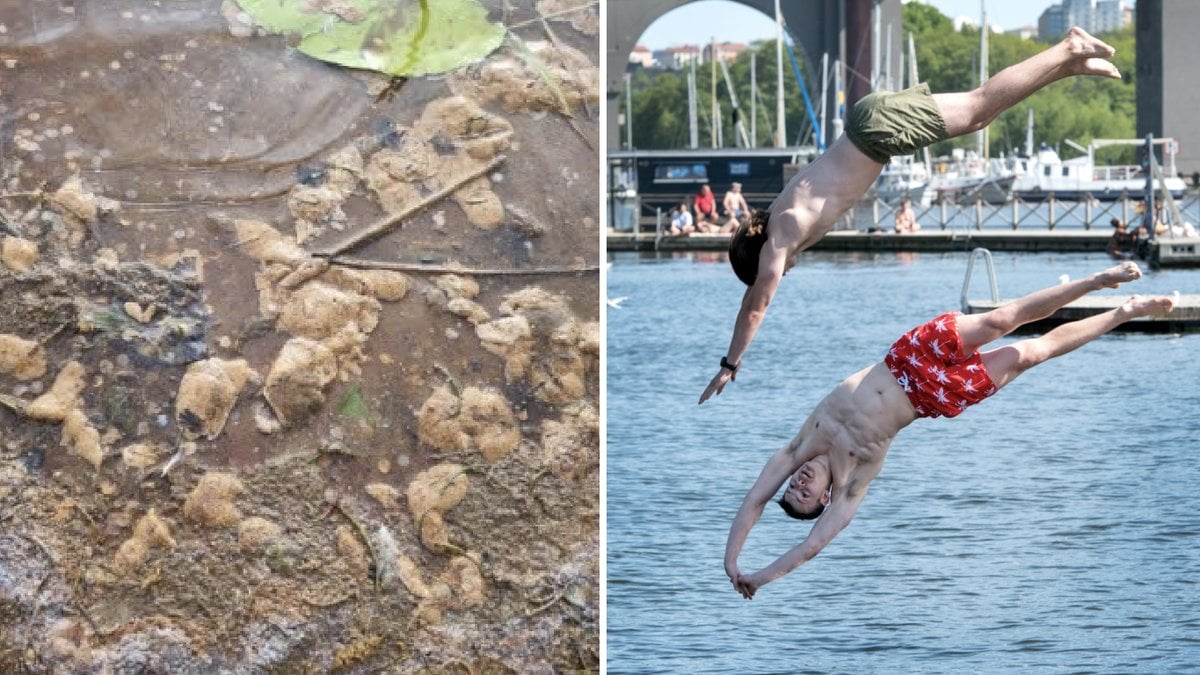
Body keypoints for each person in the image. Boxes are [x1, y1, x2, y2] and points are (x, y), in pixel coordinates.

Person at [699, 27, 1123, 404]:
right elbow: (757, 292)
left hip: (877, 130)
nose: (783, 272)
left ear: (759, 260)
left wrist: (730, 362)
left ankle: (1069, 46)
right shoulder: (780, 217)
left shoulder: (781, 234)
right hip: (874, 128)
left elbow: (756, 305)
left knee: (978, 107)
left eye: (772, 271)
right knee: (982, 117)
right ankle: (1067, 64)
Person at [723, 262, 1175, 599]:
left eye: (793, 487)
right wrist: (757, 578)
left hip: (907, 357)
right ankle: (1123, 312)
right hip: (933, 396)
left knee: (1001, 319)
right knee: (1032, 353)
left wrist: (731, 562)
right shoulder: (849, 487)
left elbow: (755, 499)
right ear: (823, 500)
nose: (798, 483)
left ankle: (1094, 281)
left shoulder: (798, 447)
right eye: (803, 496)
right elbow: (811, 546)